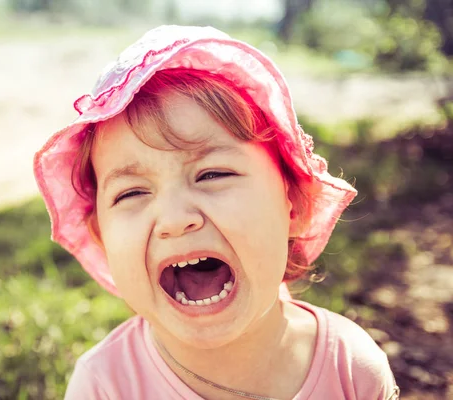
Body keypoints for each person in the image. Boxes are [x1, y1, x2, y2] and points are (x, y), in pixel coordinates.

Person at [33, 25, 400, 400]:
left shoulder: (351, 370)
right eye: (132, 192)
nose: (175, 219)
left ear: (295, 206)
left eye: (212, 174)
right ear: (102, 238)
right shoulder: (105, 386)